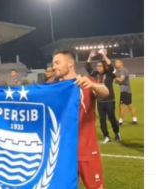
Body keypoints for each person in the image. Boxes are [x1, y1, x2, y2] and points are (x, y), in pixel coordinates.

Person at [52, 50, 108, 189]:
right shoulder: (53, 87)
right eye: (53, 63)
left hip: (86, 150)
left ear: (70, 63)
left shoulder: (85, 82)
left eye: (57, 62)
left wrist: (93, 85)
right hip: (63, 151)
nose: (54, 67)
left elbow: (105, 92)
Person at [85, 50, 121, 143]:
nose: (98, 67)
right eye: (97, 66)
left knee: (112, 118)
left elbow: (110, 65)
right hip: (100, 102)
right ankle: (106, 136)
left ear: (104, 67)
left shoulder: (109, 74)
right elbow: (88, 67)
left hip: (109, 100)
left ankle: (117, 133)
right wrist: (90, 56)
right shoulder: (96, 74)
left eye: (100, 66)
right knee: (102, 120)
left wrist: (104, 55)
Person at [114, 59, 138, 125]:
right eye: (115, 62)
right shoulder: (120, 71)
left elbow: (121, 80)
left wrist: (114, 77)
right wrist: (117, 79)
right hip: (126, 90)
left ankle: (121, 121)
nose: (115, 63)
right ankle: (135, 120)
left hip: (125, 91)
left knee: (122, 106)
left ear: (121, 63)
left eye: (117, 62)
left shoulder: (123, 70)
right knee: (130, 105)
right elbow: (116, 82)